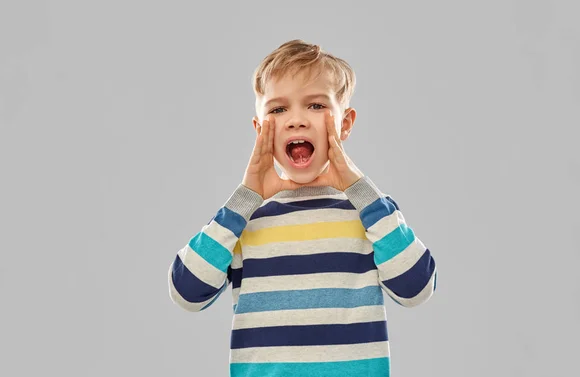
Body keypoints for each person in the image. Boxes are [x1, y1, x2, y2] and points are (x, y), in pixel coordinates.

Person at [167, 39, 437, 377]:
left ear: (346, 123)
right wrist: (246, 196)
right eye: (278, 110)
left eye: (315, 105)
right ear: (259, 130)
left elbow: (417, 287)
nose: (295, 120)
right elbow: (186, 291)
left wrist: (361, 190)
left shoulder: (370, 213)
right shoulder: (244, 219)